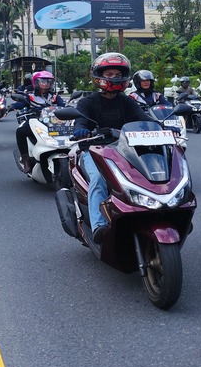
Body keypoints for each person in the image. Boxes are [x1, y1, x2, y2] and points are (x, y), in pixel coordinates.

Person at [73, 53, 155, 244]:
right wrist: (80, 130)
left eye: (117, 74)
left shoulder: (126, 101)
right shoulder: (87, 102)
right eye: (109, 74)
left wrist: (161, 126)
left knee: (145, 177)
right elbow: (80, 120)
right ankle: (98, 225)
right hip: (95, 151)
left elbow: (142, 117)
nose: (114, 78)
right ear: (98, 76)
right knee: (99, 180)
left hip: (123, 150)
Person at [13, 70, 66, 169]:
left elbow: (63, 105)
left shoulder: (54, 96)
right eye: (42, 81)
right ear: (36, 82)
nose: (45, 84)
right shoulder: (30, 96)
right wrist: (12, 106)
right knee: (20, 131)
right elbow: (21, 104)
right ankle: (25, 158)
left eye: (48, 82)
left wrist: (69, 108)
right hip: (35, 121)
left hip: (52, 122)